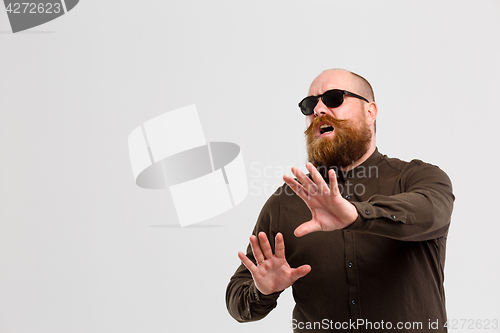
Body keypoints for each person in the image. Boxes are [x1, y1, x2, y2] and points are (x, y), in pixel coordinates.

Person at [225, 69, 454, 332]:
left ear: (370, 112)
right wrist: (262, 290)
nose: (319, 109)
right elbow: (237, 301)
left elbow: (429, 212)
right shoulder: (285, 202)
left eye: (334, 98)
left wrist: (358, 215)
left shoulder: (419, 178)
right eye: (309, 104)